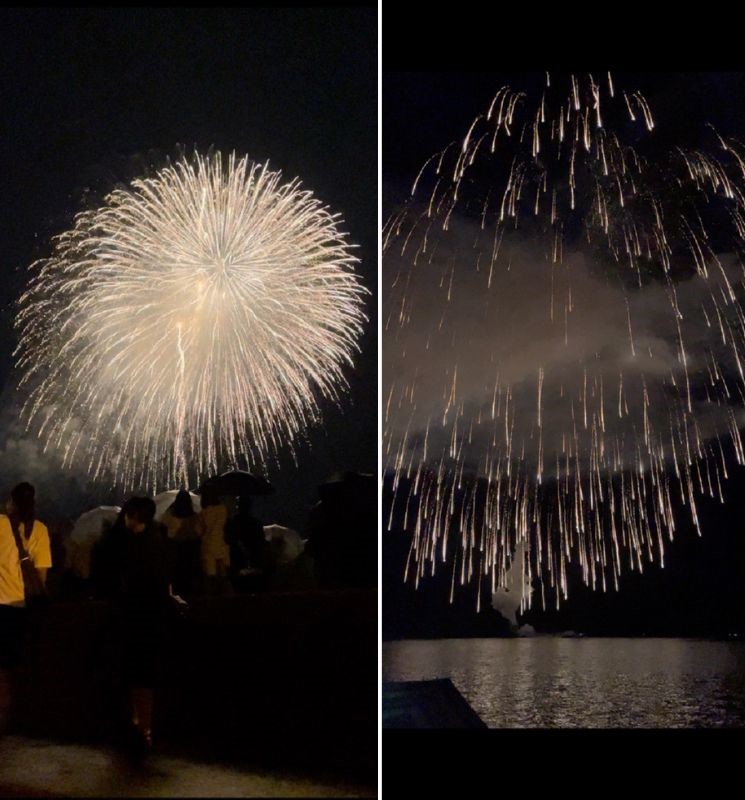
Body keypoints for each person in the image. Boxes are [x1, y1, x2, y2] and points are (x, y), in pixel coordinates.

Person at [109, 495, 170, 754]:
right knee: (141, 678)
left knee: (139, 678)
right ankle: (142, 730)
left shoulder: (134, 547)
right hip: (149, 619)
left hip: (140, 619)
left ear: (134, 516)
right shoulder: (157, 543)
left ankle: (141, 730)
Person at [0, 482, 52, 733]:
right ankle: (10, 716)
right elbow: (41, 577)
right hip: (20, 606)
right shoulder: (40, 530)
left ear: (11, 502)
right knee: (12, 665)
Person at [161, 490, 202, 597]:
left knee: (176, 578)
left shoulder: (169, 515)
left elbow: (164, 529)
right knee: (190, 578)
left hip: (174, 549)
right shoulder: (195, 517)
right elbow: (199, 532)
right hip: (191, 549)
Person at [225, 494, 269, 592]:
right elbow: (261, 542)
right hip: (254, 561)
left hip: (236, 562)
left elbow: (229, 540)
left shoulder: (232, 523)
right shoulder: (256, 523)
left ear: (238, 506)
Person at [198, 484, 230, 595]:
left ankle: (211, 601)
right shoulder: (222, 509)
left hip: (207, 545)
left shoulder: (203, 512)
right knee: (223, 576)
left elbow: (198, 530)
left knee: (210, 577)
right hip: (220, 543)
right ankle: (228, 599)